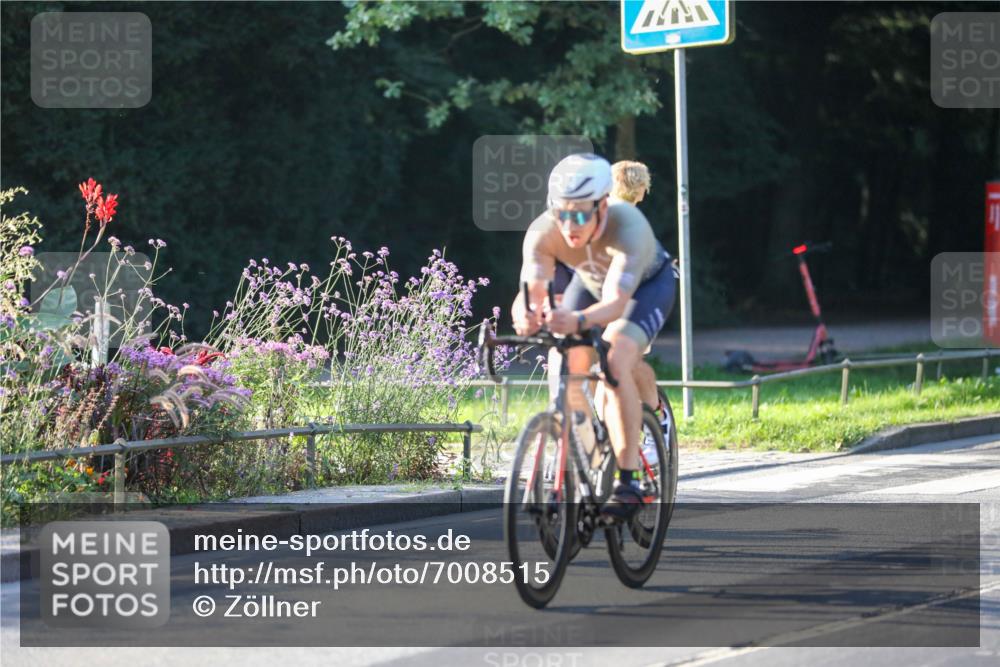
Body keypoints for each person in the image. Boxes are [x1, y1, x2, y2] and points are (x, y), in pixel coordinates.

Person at [512, 153, 676, 520]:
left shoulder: (628, 226)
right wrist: (524, 314)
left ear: (603, 207)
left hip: (646, 288)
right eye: (562, 213)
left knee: (616, 359)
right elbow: (531, 289)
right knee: (567, 362)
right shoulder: (543, 231)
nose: (570, 225)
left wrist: (576, 319)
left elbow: (616, 304)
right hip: (590, 284)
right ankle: (582, 457)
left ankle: (629, 481)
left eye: (582, 215)